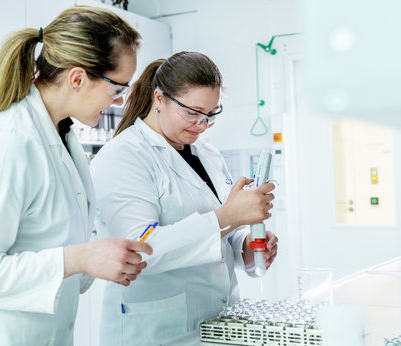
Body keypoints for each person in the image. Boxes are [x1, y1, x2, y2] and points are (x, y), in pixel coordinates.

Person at [0, 6, 153, 346]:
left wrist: (96, 259)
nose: (118, 102)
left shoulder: (61, 136)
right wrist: (82, 257)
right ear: (77, 79)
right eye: (117, 89)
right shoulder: (8, 141)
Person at [90, 52, 280, 344]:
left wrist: (246, 244)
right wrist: (230, 216)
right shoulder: (123, 156)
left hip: (218, 323)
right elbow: (139, 250)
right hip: (156, 331)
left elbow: (219, 231)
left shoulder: (206, 152)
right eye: (192, 112)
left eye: (211, 115)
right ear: (159, 99)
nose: (201, 125)